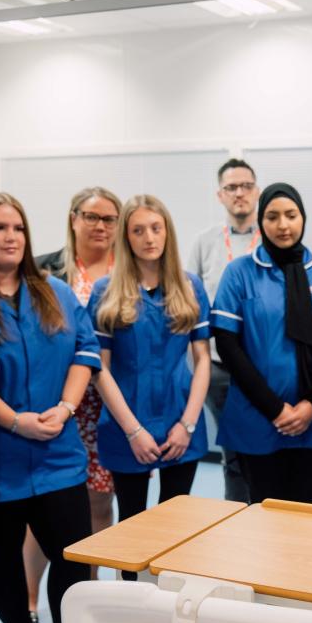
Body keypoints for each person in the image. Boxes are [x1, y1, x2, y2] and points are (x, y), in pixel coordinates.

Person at [0, 192, 98, 623]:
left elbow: (86, 350)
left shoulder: (55, 293)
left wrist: (64, 408)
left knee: (74, 557)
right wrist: (15, 422)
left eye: (18, 228)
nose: (11, 237)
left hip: (58, 453)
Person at [90, 194, 210, 577]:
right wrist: (134, 430)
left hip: (180, 421)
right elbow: (100, 370)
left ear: (167, 232)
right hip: (127, 426)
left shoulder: (190, 287)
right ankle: (132, 609)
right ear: (126, 237)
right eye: (138, 230)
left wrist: (187, 424)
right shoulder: (106, 291)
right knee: (133, 527)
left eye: (156, 228)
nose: (149, 237)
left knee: (175, 528)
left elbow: (203, 359)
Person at [212, 183, 312, 504]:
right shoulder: (239, 272)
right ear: (261, 221)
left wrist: (310, 405)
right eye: (272, 216)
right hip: (258, 417)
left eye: (291, 215)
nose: (283, 225)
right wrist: (275, 408)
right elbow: (227, 345)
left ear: (303, 218)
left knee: (309, 513)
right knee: (262, 517)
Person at [30, 187, 121, 609]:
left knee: (101, 499)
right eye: (91, 217)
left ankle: (91, 597)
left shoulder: (130, 270)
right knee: (44, 510)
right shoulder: (46, 271)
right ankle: (30, 604)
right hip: (57, 404)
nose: (100, 226)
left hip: (112, 403)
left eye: (109, 218)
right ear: (73, 218)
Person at [187, 159, 261, 503]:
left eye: (246, 185)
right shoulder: (205, 243)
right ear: (220, 195)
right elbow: (192, 304)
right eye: (232, 187)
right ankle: (237, 524)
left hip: (265, 365)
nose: (240, 193)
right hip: (220, 366)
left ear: (256, 190)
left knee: (266, 449)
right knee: (233, 452)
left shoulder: (272, 235)